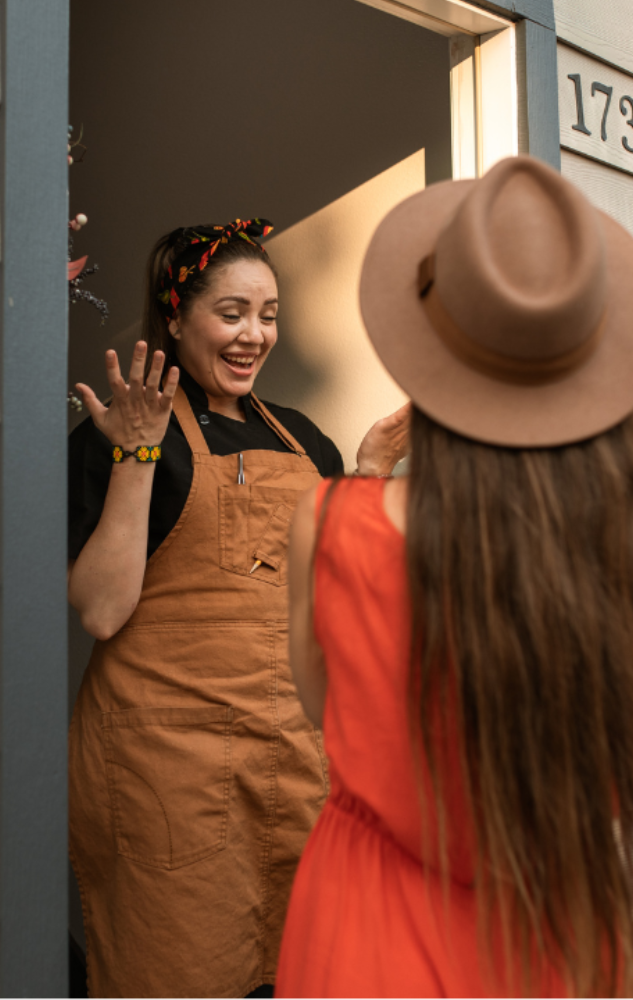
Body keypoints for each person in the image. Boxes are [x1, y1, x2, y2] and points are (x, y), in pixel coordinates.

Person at [276, 158, 633, 998]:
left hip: (364, 925)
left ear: (428, 358)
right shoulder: (630, 535)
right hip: (555, 925)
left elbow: (321, 705)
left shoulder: (333, 521)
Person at [68, 218, 409, 999]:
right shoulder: (118, 435)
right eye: (231, 313)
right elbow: (99, 610)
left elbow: (343, 601)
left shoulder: (306, 442)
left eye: (269, 313)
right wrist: (136, 456)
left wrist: (367, 471)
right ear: (176, 316)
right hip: (168, 777)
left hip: (292, 764)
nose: (255, 335)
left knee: (309, 972)